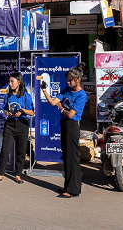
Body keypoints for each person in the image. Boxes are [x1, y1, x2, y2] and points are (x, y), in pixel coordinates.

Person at [42, 66, 87, 198]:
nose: (68, 82)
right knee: (66, 156)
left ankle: (73, 190)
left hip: (72, 126)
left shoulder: (81, 95)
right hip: (64, 124)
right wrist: (44, 91)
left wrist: (61, 109)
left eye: (71, 80)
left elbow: (71, 114)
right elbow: (52, 102)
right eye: (67, 80)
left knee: (72, 157)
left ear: (78, 80)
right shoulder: (67, 90)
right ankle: (68, 186)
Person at [0, 72, 34, 184]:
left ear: (18, 82)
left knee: (21, 152)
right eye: (9, 81)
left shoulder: (26, 95)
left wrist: (22, 111)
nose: (10, 84)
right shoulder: (8, 95)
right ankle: (0, 174)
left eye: (12, 81)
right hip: (10, 125)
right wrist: (7, 113)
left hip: (22, 125)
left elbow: (32, 112)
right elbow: (5, 109)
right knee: (5, 150)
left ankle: (18, 175)